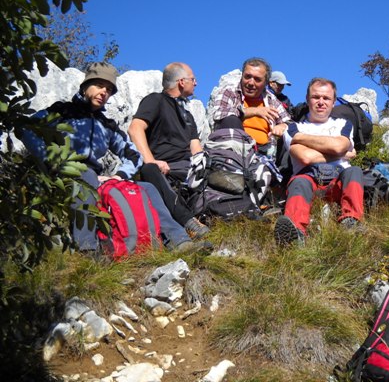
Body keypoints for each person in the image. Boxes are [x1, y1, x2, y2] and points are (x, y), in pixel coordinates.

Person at [20, 63, 205, 253]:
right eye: (99, 85)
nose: (103, 92)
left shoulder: (106, 124)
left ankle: (178, 241)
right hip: (63, 175)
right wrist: (50, 161)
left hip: (94, 177)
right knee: (86, 176)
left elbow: (132, 154)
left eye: (108, 90)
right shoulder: (62, 111)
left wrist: (119, 176)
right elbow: (26, 128)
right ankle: (88, 251)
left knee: (147, 188)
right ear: (85, 86)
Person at [274, 77, 364, 246]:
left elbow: (339, 147)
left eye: (326, 98)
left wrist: (302, 139)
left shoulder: (344, 124)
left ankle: (351, 222)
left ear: (333, 102)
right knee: (299, 181)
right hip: (308, 180)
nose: (321, 102)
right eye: (316, 97)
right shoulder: (293, 127)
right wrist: (341, 153)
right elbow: (305, 157)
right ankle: (295, 234)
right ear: (308, 99)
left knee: (354, 172)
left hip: (338, 181)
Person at [128, 62, 210, 239]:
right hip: (166, 169)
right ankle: (188, 222)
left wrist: (203, 164)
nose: (195, 83)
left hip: (188, 169)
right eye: (193, 79)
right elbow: (135, 129)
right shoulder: (155, 100)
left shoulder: (187, 114)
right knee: (148, 169)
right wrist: (151, 161)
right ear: (181, 82)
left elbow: (195, 146)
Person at [210, 57, 291, 156]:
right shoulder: (230, 92)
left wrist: (283, 126)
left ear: (266, 83)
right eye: (247, 77)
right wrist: (253, 111)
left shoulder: (271, 99)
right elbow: (218, 113)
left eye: (257, 79)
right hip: (236, 150)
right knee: (230, 120)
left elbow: (288, 121)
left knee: (292, 135)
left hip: (266, 152)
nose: (251, 83)